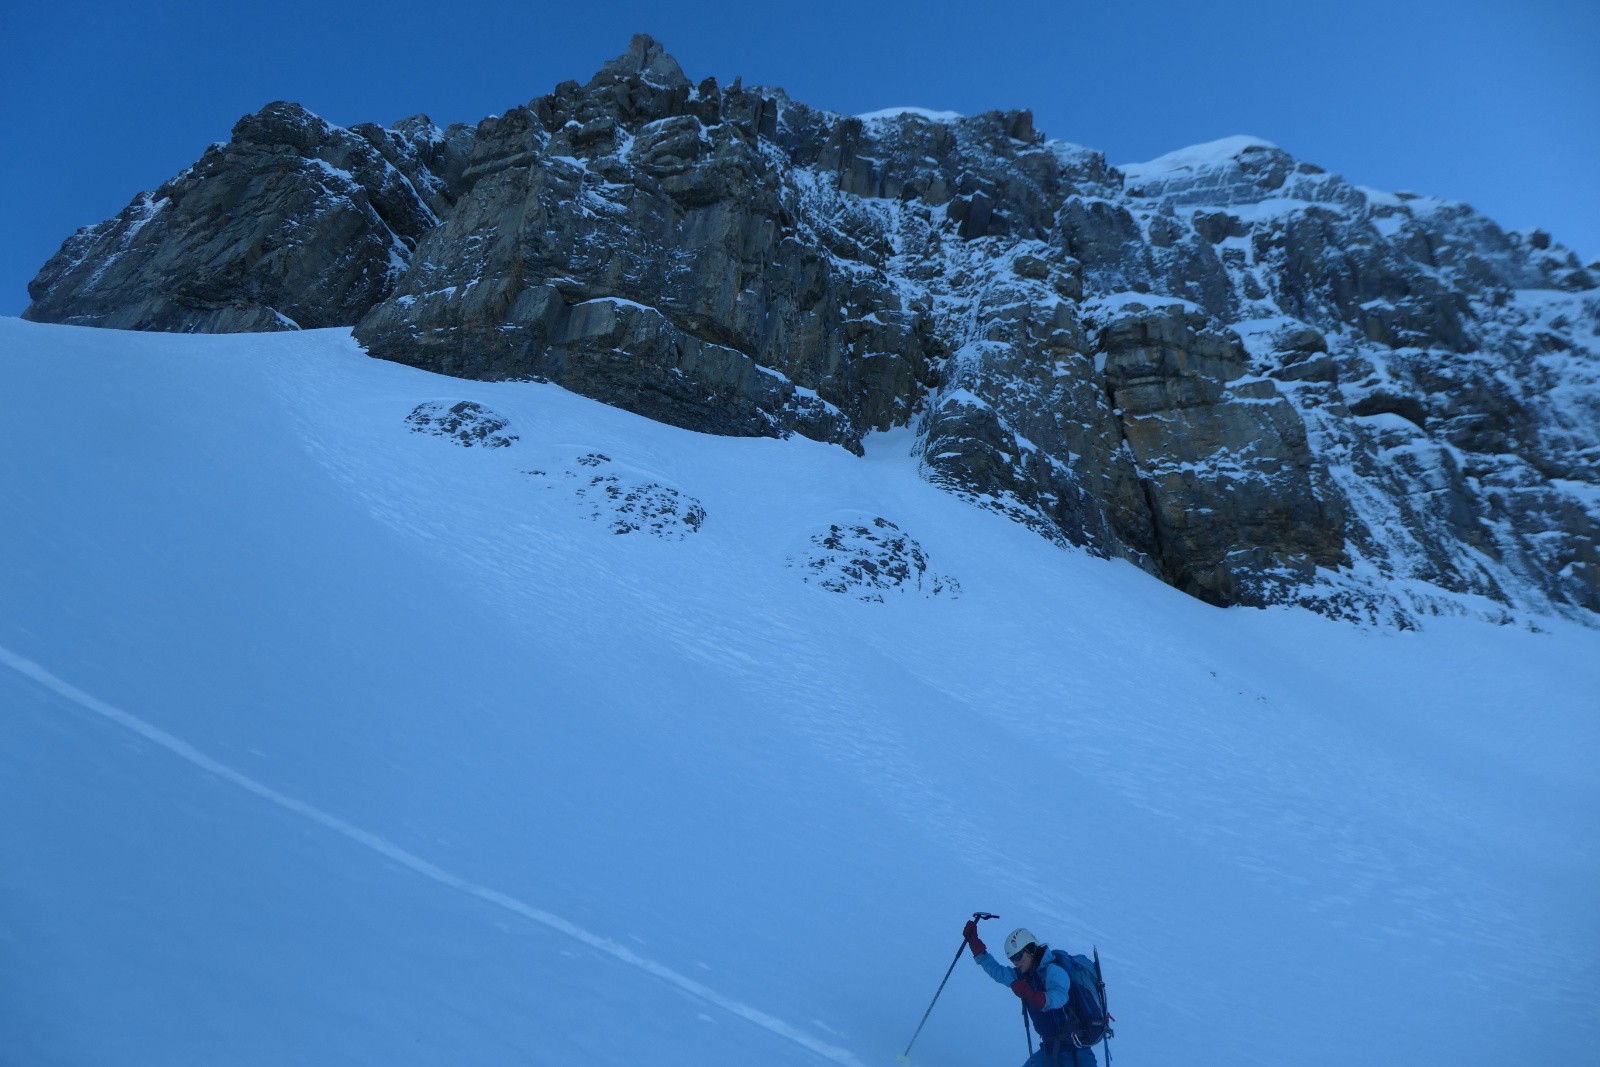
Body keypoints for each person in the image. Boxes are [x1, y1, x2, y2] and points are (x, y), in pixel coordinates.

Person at [963, 920, 1098, 1067]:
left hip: (1074, 1053)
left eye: (1018, 956)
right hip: (1050, 1049)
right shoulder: (1024, 976)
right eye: (1012, 959)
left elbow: (1059, 996)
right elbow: (998, 972)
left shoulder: (1053, 971)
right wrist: (975, 945)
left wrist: (1032, 995)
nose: (1015, 962)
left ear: (1031, 950)